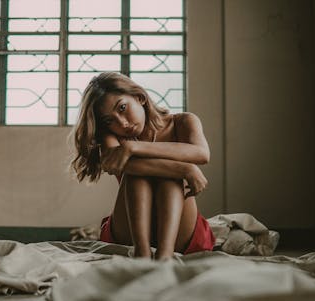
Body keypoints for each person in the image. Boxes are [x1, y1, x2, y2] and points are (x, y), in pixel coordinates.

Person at [71, 72, 215, 260]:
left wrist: (133, 146)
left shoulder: (184, 122)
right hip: (131, 232)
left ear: (140, 98)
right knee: (137, 172)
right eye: (109, 120)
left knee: (165, 176)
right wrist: (185, 169)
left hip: (179, 229)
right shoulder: (110, 137)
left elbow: (202, 154)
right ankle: (142, 252)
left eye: (122, 108)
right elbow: (125, 166)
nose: (122, 123)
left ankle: (165, 255)